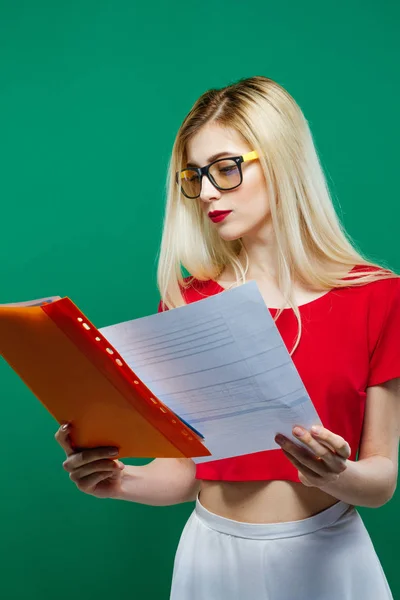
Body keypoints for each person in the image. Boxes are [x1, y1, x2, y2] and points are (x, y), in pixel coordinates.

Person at [56, 76, 400, 599]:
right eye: (196, 176)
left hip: (327, 559)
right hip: (210, 559)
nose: (209, 192)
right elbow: (183, 474)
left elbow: (380, 482)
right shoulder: (189, 301)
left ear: (281, 159)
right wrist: (118, 480)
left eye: (226, 168)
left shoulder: (377, 296)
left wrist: (335, 473)